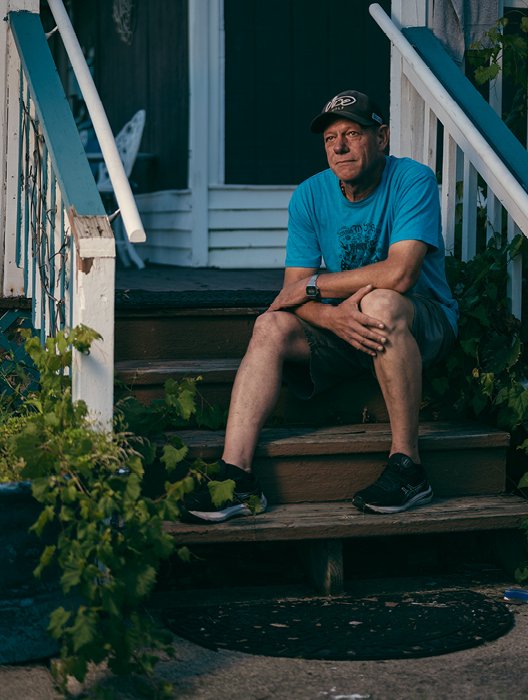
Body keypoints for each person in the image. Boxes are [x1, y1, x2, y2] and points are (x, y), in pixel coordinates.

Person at [182, 90, 458, 522]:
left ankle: (409, 468)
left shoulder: (413, 180)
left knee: (383, 302)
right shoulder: (310, 195)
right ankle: (237, 475)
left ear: (381, 136)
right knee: (270, 327)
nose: (340, 146)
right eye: (331, 138)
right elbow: (292, 294)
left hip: (422, 323)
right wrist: (330, 314)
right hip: (349, 326)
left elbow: (402, 273)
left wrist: (316, 286)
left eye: (352, 133)